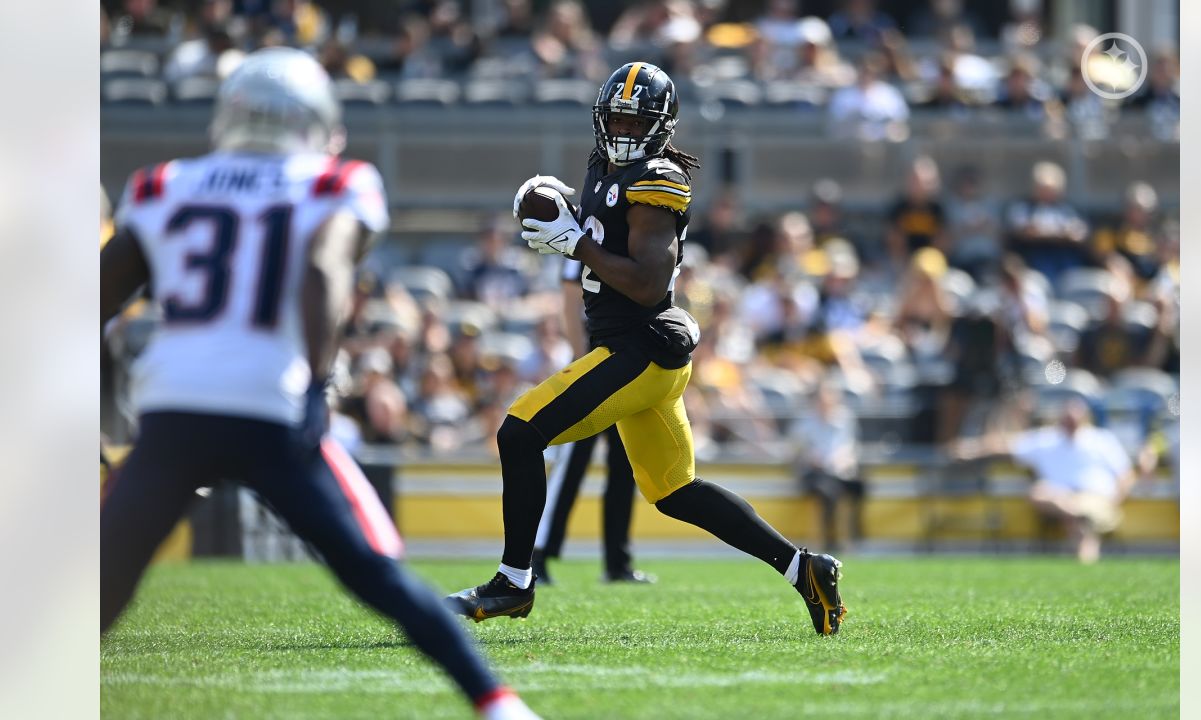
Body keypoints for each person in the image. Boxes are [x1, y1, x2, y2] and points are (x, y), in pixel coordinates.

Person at [99, 48, 540, 720]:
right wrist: (311, 382)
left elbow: (94, 296)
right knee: (376, 571)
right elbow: (322, 270)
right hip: (267, 406)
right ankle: (498, 704)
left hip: (173, 410)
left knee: (104, 580)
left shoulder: (164, 184)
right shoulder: (337, 183)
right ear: (314, 121)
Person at [446, 62, 846, 636]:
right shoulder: (601, 163)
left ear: (662, 125)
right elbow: (602, 237)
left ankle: (514, 582)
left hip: (639, 348)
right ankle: (803, 567)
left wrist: (577, 244)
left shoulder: (658, 180)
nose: (624, 130)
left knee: (519, 431)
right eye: (616, 117)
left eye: (636, 120)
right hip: (637, 352)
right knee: (675, 490)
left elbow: (648, 283)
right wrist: (565, 222)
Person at [531, 257, 656, 586]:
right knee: (570, 466)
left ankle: (618, 561)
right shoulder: (592, 233)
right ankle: (538, 555)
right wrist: (582, 358)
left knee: (623, 467)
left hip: (625, 367)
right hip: (594, 365)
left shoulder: (629, 237)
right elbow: (571, 299)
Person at [951, 400, 1137, 563]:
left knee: (1075, 518)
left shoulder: (1102, 440)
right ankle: (1078, 523)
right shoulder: (1047, 439)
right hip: (1059, 497)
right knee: (1041, 493)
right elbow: (1005, 445)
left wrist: (1114, 501)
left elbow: (1126, 475)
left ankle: (1082, 540)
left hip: (1095, 497)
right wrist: (971, 449)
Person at [790, 382, 864, 553]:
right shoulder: (804, 422)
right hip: (814, 473)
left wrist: (844, 460)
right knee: (828, 492)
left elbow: (850, 446)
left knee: (859, 486)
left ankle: (855, 533)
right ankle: (829, 540)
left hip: (839, 471)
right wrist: (811, 458)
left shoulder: (845, 418)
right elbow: (795, 451)